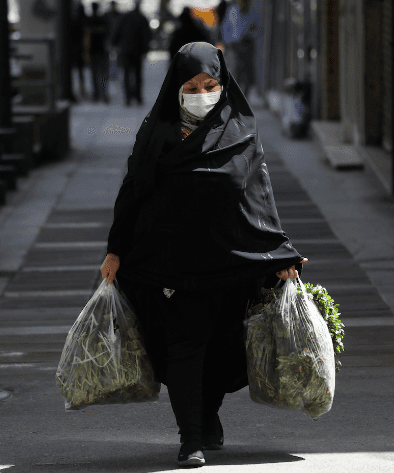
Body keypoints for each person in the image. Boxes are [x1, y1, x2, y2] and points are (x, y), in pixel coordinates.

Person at [100, 42, 308, 467]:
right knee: (184, 347)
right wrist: (115, 250)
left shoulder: (243, 130)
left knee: (222, 347)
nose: (201, 92)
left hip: (229, 262)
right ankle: (190, 437)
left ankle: (207, 415)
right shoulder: (155, 132)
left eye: (209, 84)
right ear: (176, 87)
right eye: (191, 85)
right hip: (169, 263)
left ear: (222, 83)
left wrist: (280, 253)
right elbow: (132, 193)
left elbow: (259, 195)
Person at [111, 0, 152, 106]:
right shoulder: (142, 18)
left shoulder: (126, 17)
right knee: (138, 75)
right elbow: (147, 36)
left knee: (127, 74)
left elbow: (118, 31)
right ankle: (138, 97)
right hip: (137, 51)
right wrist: (145, 50)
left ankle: (128, 97)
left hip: (126, 50)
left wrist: (114, 43)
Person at [221, 0, 262, 95]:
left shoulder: (253, 13)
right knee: (235, 71)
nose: (242, 3)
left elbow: (259, 29)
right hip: (234, 46)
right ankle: (234, 96)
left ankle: (245, 96)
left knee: (247, 73)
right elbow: (225, 28)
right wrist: (228, 42)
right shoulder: (232, 11)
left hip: (247, 46)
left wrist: (250, 35)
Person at [88, 2, 110, 103]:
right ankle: (103, 93)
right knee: (103, 74)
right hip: (102, 50)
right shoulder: (103, 20)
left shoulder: (89, 21)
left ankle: (96, 94)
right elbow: (108, 35)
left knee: (94, 74)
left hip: (93, 50)